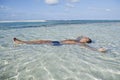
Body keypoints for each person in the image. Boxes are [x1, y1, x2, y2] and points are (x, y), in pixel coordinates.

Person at [13, 36, 106, 52]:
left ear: (86, 41)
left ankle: (21, 42)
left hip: (58, 44)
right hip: (57, 42)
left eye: (86, 38)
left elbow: (89, 48)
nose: (84, 37)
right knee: (41, 41)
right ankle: (22, 42)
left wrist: (98, 50)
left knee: (40, 41)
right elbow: (80, 35)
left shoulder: (81, 43)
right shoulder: (77, 39)